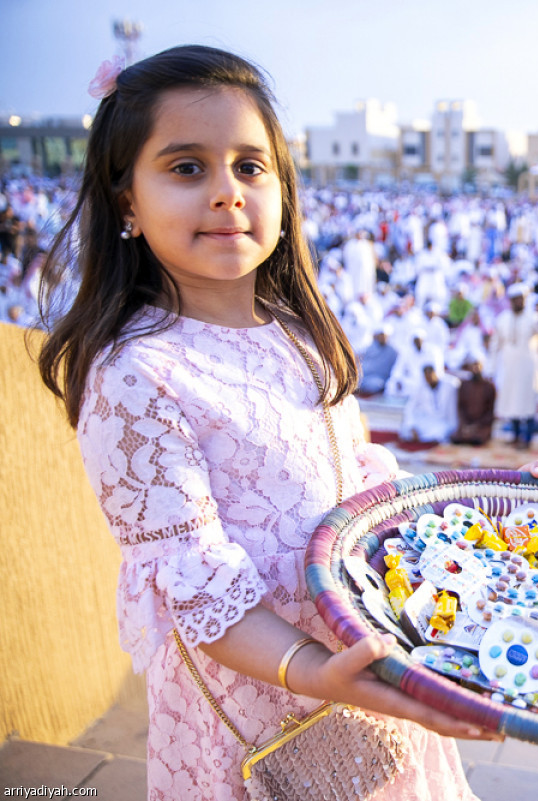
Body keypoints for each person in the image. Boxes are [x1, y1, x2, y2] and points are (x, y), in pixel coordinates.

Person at [34, 46, 511, 800]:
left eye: (250, 167)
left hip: (360, 674)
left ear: (283, 190)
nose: (227, 193)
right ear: (126, 200)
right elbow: (192, 579)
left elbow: (358, 485)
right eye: (187, 167)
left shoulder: (299, 333)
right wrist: (317, 671)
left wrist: (469, 516)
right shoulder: (135, 374)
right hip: (257, 709)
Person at [492, 284, 538, 448]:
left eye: (520, 299)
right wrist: (492, 366)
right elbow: (495, 343)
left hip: (528, 366)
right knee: (512, 400)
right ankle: (515, 435)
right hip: (509, 365)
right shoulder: (503, 318)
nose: (518, 302)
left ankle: (528, 438)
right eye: (515, 299)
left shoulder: (534, 318)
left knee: (527, 401)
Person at [401, 362, 459, 443]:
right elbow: (410, 408)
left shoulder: (450, 385)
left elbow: (453, 410)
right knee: (406, 430)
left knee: (440, 433)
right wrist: (412, 426)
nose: (429, 379)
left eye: (431, 375)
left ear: (436, 373)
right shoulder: (420, 387)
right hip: (427, 421)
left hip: (443, 421)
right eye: (426, 377)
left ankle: (428, 438)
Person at [449, 353, 496, 446]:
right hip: (466, 425)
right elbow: (460, 408)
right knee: (455, 438)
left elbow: (490, 412)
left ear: (482, 366)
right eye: (473, 365)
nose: (475, 368)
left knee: (478, 439)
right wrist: (465, 425)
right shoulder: (464, 385)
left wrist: (476, 426)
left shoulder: (489, 386)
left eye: (477, 365)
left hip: (481, 426)